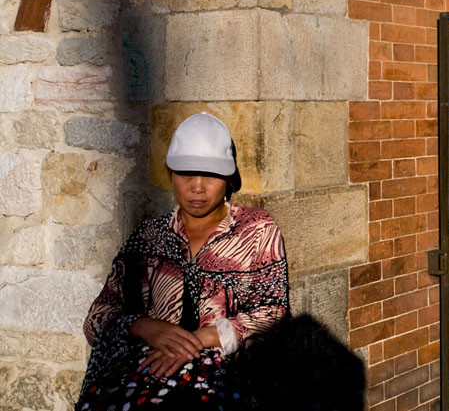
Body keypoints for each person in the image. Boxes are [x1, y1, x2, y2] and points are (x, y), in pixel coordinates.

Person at [76, 113, 289, 410]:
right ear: (170, 173)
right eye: (186, 173)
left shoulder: (256, 230)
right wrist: (144, 327)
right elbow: (96, 318)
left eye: (211, 175)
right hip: (148, 374)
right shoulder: (150, 237)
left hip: (226, 379)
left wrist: (204, 338)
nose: (198, 187)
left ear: (228, 178)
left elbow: (274, 312)